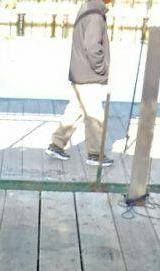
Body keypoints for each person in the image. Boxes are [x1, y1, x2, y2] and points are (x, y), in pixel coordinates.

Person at [46, 0, 113, 167]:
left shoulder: (87, 8)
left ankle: (56, 144)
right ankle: (95, 154)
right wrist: (102, 69)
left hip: (80, 71)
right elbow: (92, 47)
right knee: (95, 116)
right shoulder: (95, 15)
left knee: (75, 110)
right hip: (89, 74)